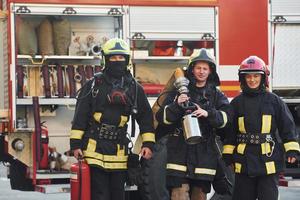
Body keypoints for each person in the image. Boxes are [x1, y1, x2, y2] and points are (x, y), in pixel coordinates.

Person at [69, 38, 155, 200]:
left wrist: (148, 144)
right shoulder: (94, 85)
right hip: (94, 148)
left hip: (119, 153)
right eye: (113, 58)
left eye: (121, 58)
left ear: (127, 60)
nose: (117, 61)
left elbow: (145, 118)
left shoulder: (135, 88)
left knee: (118, 195)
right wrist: (75, 145)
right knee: (99, 194)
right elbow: (80, 116)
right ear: (105, 59)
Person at [156, 48, 231, 200]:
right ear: (192, 69)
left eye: (205, 68)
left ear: (211, 71)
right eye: (198, 68)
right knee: (178, 195)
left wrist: (208, 113)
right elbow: (162, 118)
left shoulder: (217, 95)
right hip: (179, 154)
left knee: (199, 196)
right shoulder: (179, 91)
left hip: (204, 156)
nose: (201, 71)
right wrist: (177, 104)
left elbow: (227, 120)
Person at [222, 56, 300, 200]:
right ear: (242, 78)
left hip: (268, 162)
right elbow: (230, 132)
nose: (252, 80)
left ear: (263, 77)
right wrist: (227, 154)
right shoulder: (236, 103)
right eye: (248, 76)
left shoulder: (274, 101)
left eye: (256, 76)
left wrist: (292, 150)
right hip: (243, 162)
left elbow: (287, 128)